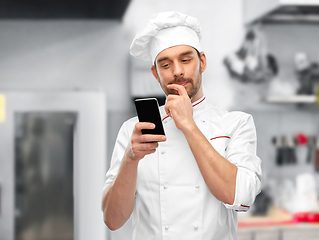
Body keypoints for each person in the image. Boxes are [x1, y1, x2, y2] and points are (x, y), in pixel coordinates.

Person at [102, 11, 261, 240]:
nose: (177, 71)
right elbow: (113, 220)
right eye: (165, 64)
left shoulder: (235, 124)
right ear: (156, 74)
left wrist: (188, 125)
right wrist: (130, 158)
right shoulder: (133, 130)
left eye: (186, 60)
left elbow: (241, 199)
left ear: (202, 62)